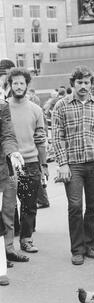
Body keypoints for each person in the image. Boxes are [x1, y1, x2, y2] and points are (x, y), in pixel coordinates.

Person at [52, 66, 94, 265]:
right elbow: (57, 136)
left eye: (87, 83)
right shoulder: (61, 106)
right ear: (73, 84)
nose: (84, 86)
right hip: (73, 165)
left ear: (91, 84)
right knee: (75, 206)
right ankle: (77, 249)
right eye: (79, 83)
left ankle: (89, 245)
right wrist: (63, 164)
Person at [6, 67, 48, 254]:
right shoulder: (3, 107)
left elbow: (41, 140)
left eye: (22, 83)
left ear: (27, 85)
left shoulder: (36, 110)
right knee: (8, 205)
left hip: (30, 162)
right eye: (15, 83)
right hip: (7, 163)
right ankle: (8, 244)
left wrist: (44, 164)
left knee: (29, 204)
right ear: (10, 85)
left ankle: (26, 239)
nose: (19, 86)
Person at [0, 98, 24, 285]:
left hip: (1, 169)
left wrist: (12, 152)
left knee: (5, 213)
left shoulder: (1, 106)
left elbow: (7, 135)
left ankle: (4, 259)